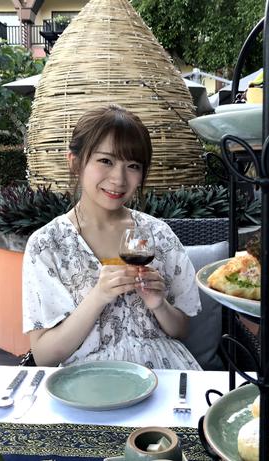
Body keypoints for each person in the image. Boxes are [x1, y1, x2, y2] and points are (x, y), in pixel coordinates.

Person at [22, 104, 202, 370]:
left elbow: (181, 330)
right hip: (88, 378)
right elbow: (45, 355)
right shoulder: (47, 244)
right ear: (75, 162)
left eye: (133, 165)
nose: (119, 178)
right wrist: (99, 296)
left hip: (166, 372)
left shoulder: (158, 234)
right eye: (105, 161)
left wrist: (159, 304)